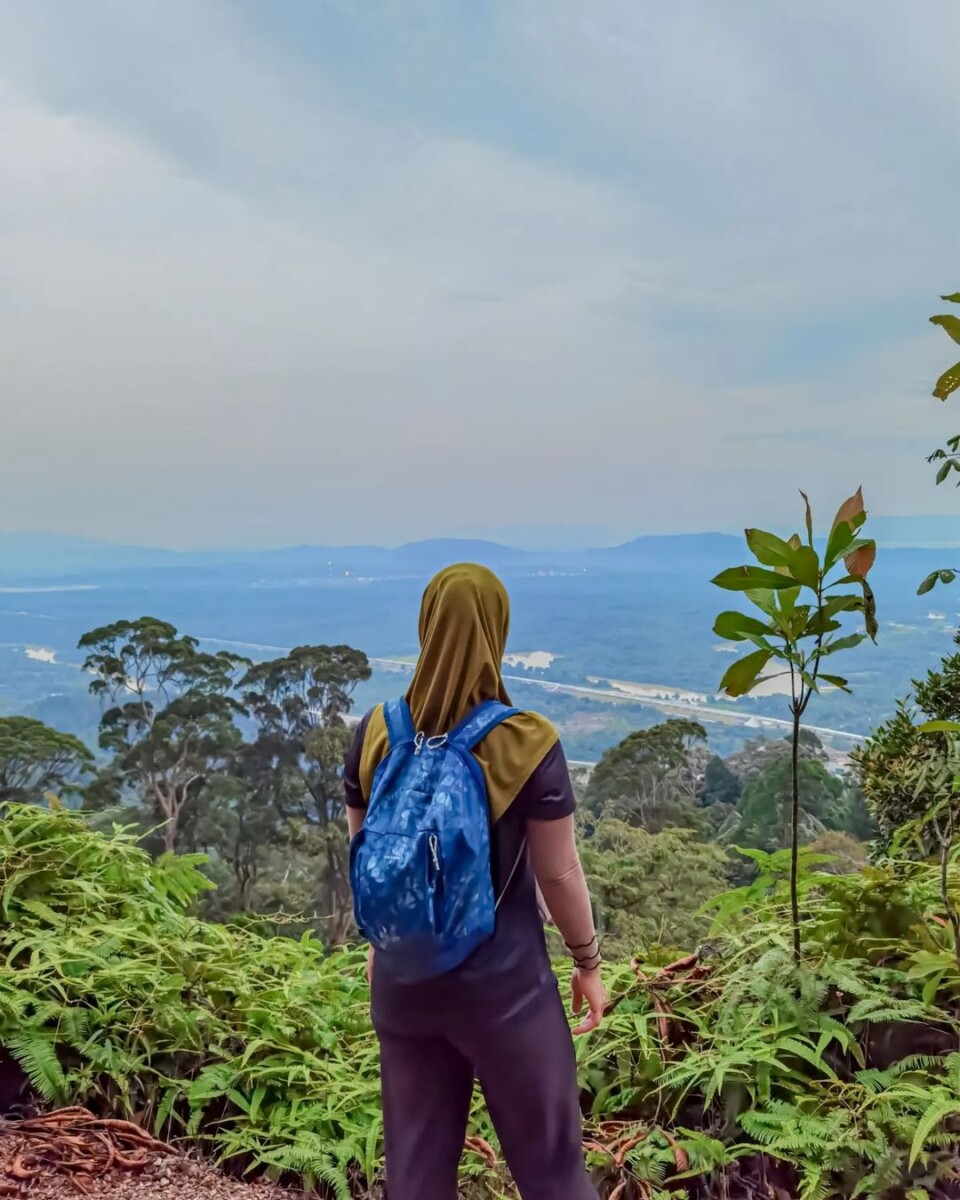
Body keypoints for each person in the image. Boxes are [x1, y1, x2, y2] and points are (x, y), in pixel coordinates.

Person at [344, 562, 605, 1200]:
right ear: (497, 631)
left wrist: (383, 943)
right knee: (553, 1176)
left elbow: (363, 853)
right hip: (506, 994)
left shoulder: (375, 731)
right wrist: (587, 962)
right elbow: (559, 872)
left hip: (404, 988)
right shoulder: (525, 742)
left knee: (415, 1179)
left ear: (427, 626)